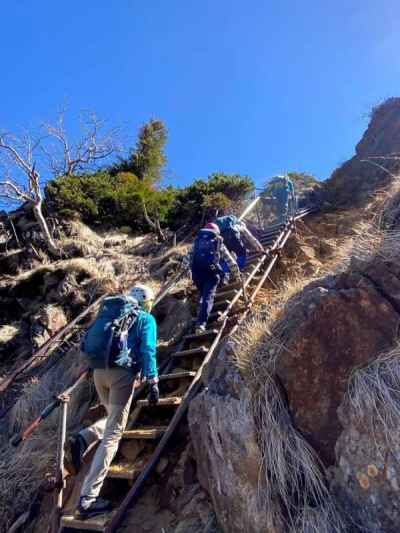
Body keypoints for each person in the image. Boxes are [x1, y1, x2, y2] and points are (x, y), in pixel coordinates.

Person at [67, 284, 159, 519]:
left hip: (100, 373)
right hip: (121, 377)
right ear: (145, 302)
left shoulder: (112, 313)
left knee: (113, 417)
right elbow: (148, 350)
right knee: (113, 435)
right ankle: (88, 500)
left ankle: (84, 437)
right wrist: (153, 380)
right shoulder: (145, 318)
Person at [191, 223, 240, 334]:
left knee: (203, 294)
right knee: (208, 297)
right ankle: (201, 324)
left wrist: (185, 270)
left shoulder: (197, 240)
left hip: (197, 274)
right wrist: (237, 275)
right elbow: (230, 261)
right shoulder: (217, 242)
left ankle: (199, 313)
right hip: (211, 274)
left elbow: (188, 257)